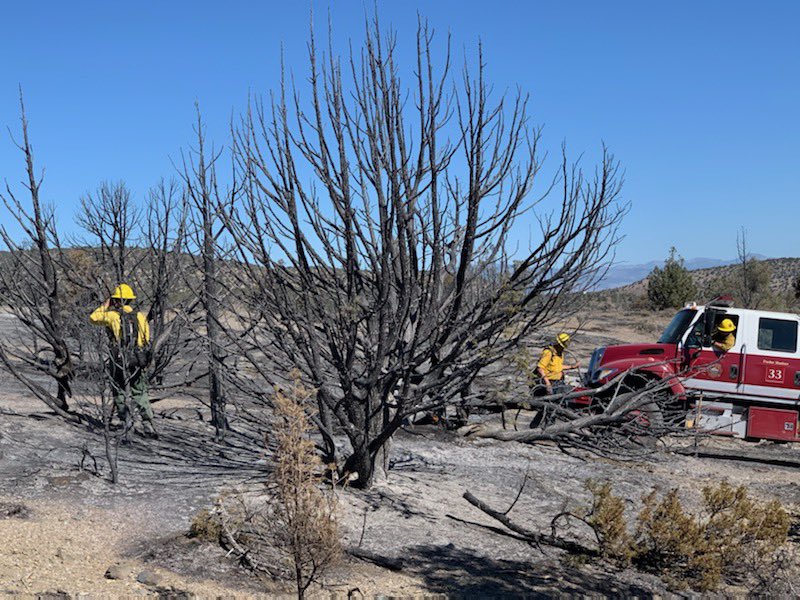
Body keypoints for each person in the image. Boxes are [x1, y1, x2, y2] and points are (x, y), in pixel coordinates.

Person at [89, 283, 156, 437]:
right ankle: (148, 422)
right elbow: (146, 338)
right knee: (140, 391)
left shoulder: (113, 316)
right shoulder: (140, 316)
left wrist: (106, 304)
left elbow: (93, 318)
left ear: (117, 301)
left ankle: (126, 420)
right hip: (138, 359)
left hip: (119, 359)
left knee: (118, 389)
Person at [529, 333, 579, 429]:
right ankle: (546, 428)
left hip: (558, 383)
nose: (562, 348)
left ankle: (538, 427)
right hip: (548, 382)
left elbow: (558, 367)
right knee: (550, 406)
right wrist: (547, 384)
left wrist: (572, 367)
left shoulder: (560, 354)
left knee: (553, 406)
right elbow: (540, 368)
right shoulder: (548, 352)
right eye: (561, 346)